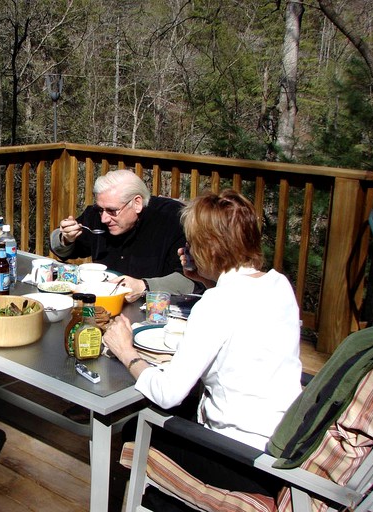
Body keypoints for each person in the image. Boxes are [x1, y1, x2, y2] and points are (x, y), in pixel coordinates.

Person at [103, 189, 302, 511]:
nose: (187, 248)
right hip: (282, 440)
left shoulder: (219, 303)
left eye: (192, 242)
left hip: (241, 457)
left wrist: (126, 351)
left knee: (133, 427)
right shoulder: (277, 284)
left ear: (210, 248)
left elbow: (167, 394)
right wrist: (207, 279)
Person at [50, 169, 198, 296]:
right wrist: (66, 239)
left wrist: (143, 286)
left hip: (154, 309)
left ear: (137, 203)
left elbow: (193, 278)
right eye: (101, 209)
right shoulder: (97, 214)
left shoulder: (173, 220)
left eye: (112, 211)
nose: (104, 218)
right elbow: (61, 250)